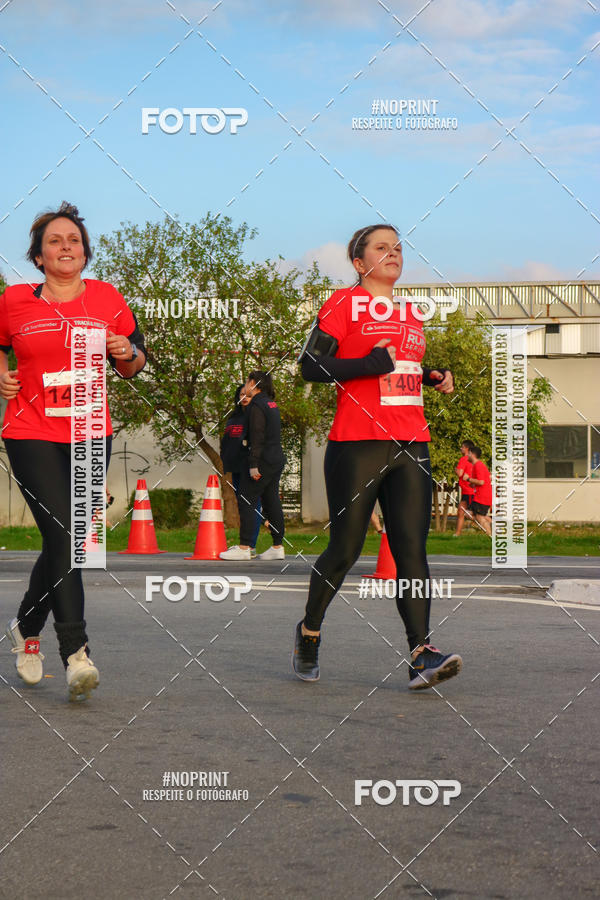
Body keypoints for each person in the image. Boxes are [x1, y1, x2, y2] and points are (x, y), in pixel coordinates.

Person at [293, 224, 462, 690]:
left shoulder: (411, 313)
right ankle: (309, 633)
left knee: (412, 550)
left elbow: (399, 370)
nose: (394, 254)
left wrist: (431, 376)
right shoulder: (342, 304)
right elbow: (311, 366)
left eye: (399, 248)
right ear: (359, 262)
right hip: (357, 443)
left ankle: (421, 654)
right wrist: (368, 365)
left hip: (412, 442)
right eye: (382, 247)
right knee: (345, 551)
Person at [0, 202, 146, 700]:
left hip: (89, 430)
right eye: (55, 241)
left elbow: (134, 360)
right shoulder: (15, 301)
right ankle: (76, 652)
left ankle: (25, 627)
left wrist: (126, 351)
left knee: (69, 537)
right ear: (38, 257)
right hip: (30, 430)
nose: (66, 246)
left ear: (84, 253)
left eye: (74, 240)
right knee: (66, 531)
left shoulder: (107, 298)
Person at [220, 371, 286, 561]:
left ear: (254, 384)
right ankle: (277, 545)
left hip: (263, 460)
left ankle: (245, 547)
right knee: (271, 500)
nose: (246, 385)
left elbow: (257, 435)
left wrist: (254, 464)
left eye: (248, 382)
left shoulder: (256, 405)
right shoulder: (271, 403)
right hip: (276, 459)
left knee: (247, 499)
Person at [219, 385, 262, 556]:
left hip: (250, 467)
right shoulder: (233, 417)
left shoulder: (255, 417)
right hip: (235, 467)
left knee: (252, 504)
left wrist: (255, 464)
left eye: (248, 395)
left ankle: (250, 545)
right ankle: (244, 544)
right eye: (241, 394)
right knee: (243, 505)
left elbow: (258, 443)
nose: (244, 397)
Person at [467, 445, 492, 536]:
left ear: (472, 454)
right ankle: (496, 530)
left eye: (468, 453)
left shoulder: (479, 465)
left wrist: (469, 479)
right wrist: (472, 483)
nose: (467, 456)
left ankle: (490, 536)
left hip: (482, 496)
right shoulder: (476, 465)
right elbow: (487, 478)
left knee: (479, 517)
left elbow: (481, 482)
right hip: (480, 496)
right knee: (469, 514)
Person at [454, 439, 475, 536]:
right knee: (461, 512)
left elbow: (460, 473)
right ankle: (457, 534)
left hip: (468, 490)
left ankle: (491, 527)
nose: (460, 448)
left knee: (476, 516)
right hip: (468, 490)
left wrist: (455, 469)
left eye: (462, 447)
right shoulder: (473, 459)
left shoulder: (463, 459)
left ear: (467, 448)